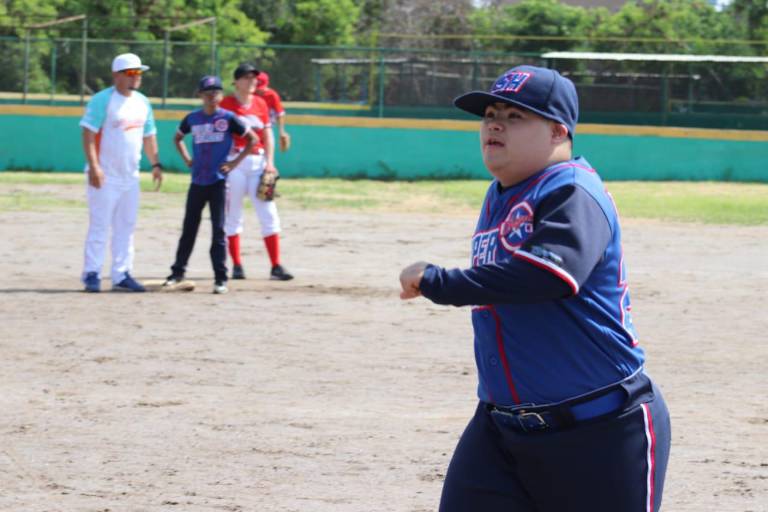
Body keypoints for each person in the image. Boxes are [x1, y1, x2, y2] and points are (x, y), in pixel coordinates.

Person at [399, 65, 671, 512]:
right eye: (490, 115)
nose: (494, 124)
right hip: (499, 432)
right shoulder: (501, 193)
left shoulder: (572, 190)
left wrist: (439, 282)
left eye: (515, 116)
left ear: (558, 130)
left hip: (599, 431)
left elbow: (547, 276)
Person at [163, 75, 256, 295]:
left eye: (216, 92)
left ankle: (220, 278)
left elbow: (252, 139)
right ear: (200, 95)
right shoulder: (193, 119)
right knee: (189, 228)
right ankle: (177, 272)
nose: (212, 96)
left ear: (221, 95)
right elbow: (177, 138)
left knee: (218, 230)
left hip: (218, 182)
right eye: (207, 93)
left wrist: (234, 163)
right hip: (197, 181)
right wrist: (188, 159)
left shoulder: (228, 118)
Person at [80, 52, 162, 293]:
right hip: (105, 175)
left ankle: (121, 273)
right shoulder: (102, 100)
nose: (136, 77)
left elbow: (149, 136)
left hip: (130, 177)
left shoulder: (142, 102)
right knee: (100, 225)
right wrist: (94, 166)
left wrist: (155, 164)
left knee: (126, 226)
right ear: (116, 75)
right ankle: (92, 273)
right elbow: (88, 134)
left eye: (139, 73)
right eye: (131, 73)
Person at [220, 63, 293, 281]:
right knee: (233, 214)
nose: (252, 81)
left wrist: (270, 163)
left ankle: (276, 265)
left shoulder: (261, 103)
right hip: (234, 163)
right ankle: (237, 265)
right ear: (236, 82)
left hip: (258, 163)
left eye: (254, 77)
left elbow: (268, 135)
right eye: (247, 77)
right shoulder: (226, 104)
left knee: (269, 213)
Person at [255, 71, 291, 153]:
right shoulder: (250, 94)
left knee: (266, 152)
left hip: (267, 128)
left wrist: (282, 132)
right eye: (257, 87)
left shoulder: (272, 95)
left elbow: (280, 114)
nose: (259, 90)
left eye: (261, 87)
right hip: (253, 128)